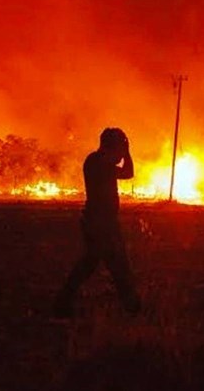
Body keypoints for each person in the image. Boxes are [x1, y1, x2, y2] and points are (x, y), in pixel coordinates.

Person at [54, 128, 141, 317]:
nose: (120, 152)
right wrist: (126, 152)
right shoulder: (98, 162)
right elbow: (127, 172)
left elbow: (127, 173)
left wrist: (124, 151)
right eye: (118, 147)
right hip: (100, 223)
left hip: (103, 221)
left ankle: (131, 304)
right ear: (111, 146)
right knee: (113, 264)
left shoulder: (97, 161)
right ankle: (131, 305)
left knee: (102, 263)